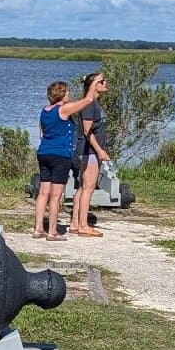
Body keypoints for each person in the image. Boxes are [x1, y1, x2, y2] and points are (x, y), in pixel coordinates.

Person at [33, 76, 103, 241]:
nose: (69, 95)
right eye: (67, 92)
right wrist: (93, 83)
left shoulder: (45, 110)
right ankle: (52, 232)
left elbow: (42, 133)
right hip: (60, 155)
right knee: (56, 196)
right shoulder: (63, 110)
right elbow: (87, 100)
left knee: (43, 193)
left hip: (43, 153)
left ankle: (38, 229)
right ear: (62, 95)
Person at [69, 71, 111, 238]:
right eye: (102, 81)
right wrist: (100, 150)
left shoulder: (94, 104)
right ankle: (83, 225)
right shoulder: (89, 104)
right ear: (94, 85)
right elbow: (87, 131)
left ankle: (75, 223)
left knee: (82, 187)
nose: (105, 83)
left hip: (89, 152)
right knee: (88, 188)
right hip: (89, 152)